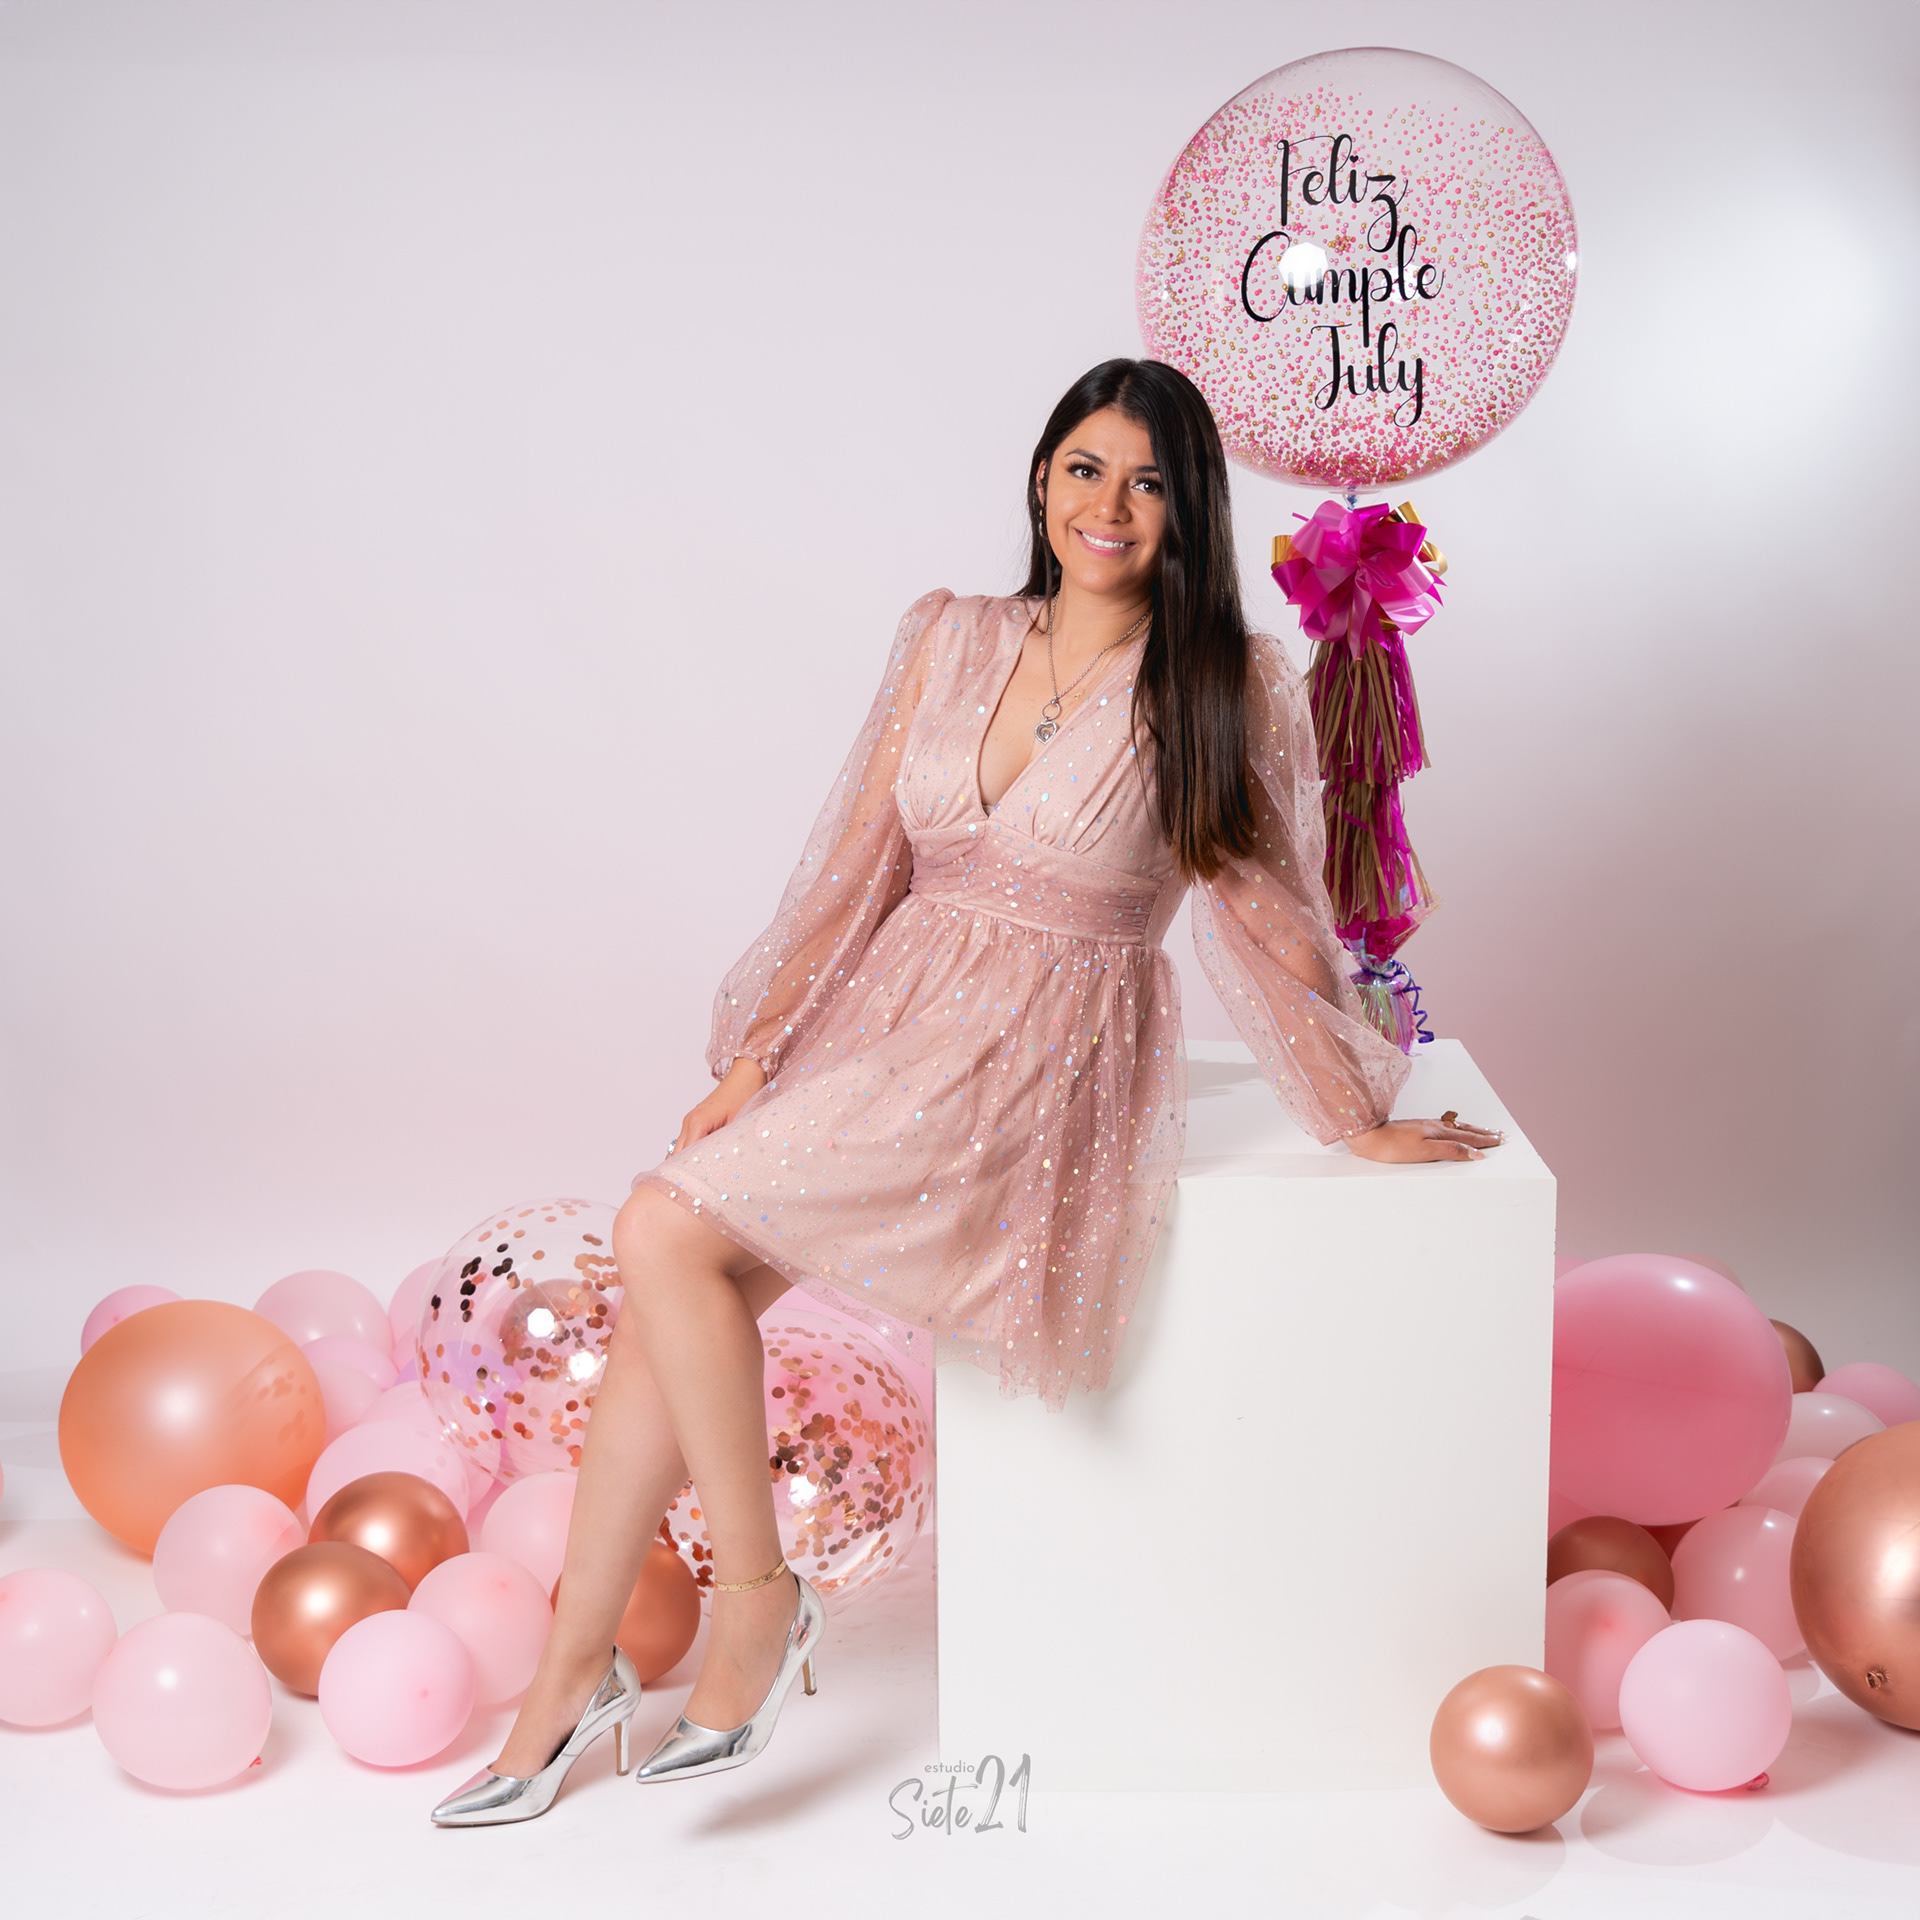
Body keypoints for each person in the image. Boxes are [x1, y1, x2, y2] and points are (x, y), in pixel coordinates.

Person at [430, 357, 1502, 1826]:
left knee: (663, 1235)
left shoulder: (1220, 682)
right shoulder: (949, 635)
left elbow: (1265, 905)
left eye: (1148, 483)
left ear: (1188, 513)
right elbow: (855, 867)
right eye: (1085, 468)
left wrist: (1349, 1103)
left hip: (1043, 1052)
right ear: (1042, 478)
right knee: (684, 1270)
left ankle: (752, 1606)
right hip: (886, 1025)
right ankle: (576, 1671)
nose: (1109, 505)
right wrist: (756, 1061)